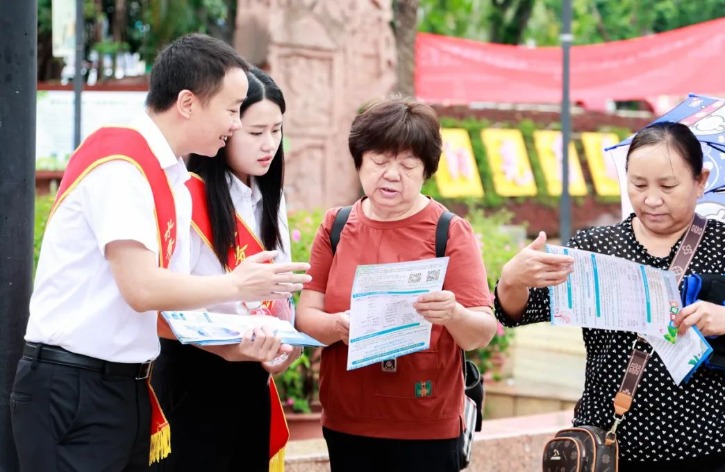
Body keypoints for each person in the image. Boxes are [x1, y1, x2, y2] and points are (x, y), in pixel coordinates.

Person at [11, 34, 311, 472]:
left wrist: (245, 345)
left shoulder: (171, 180)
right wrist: (237, 285)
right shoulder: (121, 163)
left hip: (127, 384)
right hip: (74, 385)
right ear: (188, 103)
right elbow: (143, 289)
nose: (233, 125)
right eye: (231, 110)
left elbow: (175, 303)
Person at [495, 121, 725, 472]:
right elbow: (519, 311)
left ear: (700, 180)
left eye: (668, 186)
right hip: (612, 449)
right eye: (638, 184)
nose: (652, 199)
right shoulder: (595, 247)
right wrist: (512, 280)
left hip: (713, 447)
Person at [296, 96, 497, 472]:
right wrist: (339, 326)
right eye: (379, 161)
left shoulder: (448, 232)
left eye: (407, 165)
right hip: (347, 421)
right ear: (359, 161)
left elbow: (481, 333)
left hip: (426, 424)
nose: (391, 175)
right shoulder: (336, 226)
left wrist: (452, 313)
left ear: (426, 171)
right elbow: (306, 316)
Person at [151, 67, 300, 472]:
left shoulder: (270, 196)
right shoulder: (186, 196)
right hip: (193, 377)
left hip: (251, 378)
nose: (269, 144)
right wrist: (231, 348)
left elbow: (278, 296)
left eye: (277, 130)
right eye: (255, 132)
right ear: (227, 128)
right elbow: (165, 304)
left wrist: (288, 346)